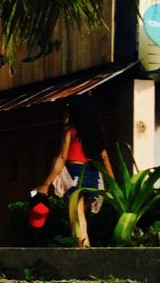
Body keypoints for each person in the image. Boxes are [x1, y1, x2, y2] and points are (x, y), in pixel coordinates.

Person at [36, 99, 111, 247]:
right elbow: (105, 158)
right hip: (93, 175)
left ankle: (83, 249)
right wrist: (113, 183)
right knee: (82, 216)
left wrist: (46, 184)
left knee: (76, 217)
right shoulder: (96, 134)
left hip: (75, 173)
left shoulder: (70, 130)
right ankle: (84, 246)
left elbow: (62, 157)